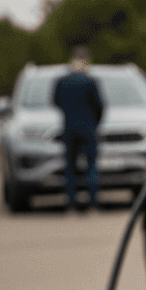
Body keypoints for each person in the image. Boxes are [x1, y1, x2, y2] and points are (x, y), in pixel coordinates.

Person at [52, 48, 105, 209]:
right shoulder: (90, 82)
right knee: (91, 166)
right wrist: (95, 123)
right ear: (86, 61)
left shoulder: (62, 82)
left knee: (70, 167)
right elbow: (100, 106)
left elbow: (55, 102)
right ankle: (93, 201)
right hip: (89, 129)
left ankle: (70, 201)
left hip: (69, 129)